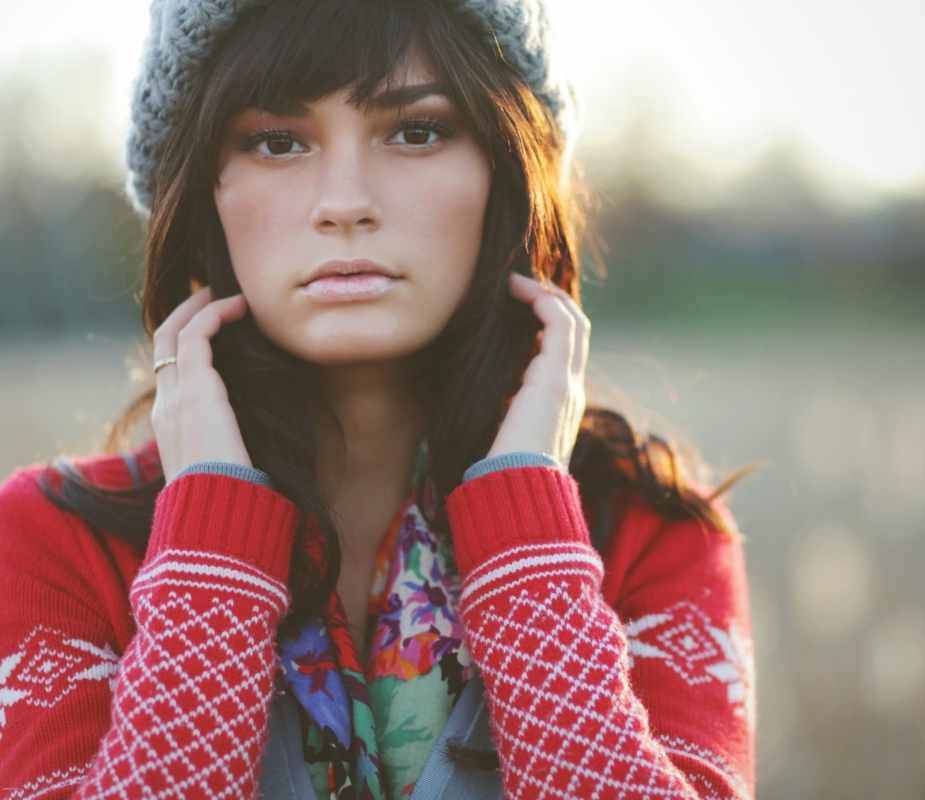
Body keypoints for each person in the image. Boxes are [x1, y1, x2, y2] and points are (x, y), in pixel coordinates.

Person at [0, 0, 755, 797]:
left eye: (416, 131)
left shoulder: (649, 531)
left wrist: (530, 545)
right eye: (277, 141)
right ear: (199, 197)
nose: (346, 202)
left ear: (506, 168)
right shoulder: (54, 543)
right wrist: (209, 560)